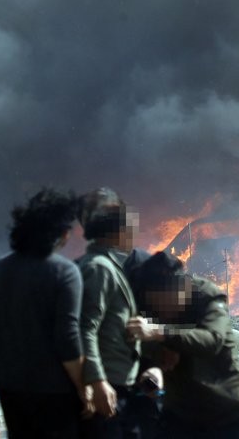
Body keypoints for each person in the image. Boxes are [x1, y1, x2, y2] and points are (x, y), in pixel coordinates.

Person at [0, 188, 89, 439]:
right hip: (53, 390)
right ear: (60, 233)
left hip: (9, 386)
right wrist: (83, 387)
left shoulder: (0, 268)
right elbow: (68, 337)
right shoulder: (66, 272)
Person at [126, 252, 239, 439]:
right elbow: (135, 340)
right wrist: (153, 366)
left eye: (162, 302)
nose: (159, 311)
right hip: (180, 414)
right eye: (153, 305)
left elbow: (211, 340)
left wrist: (161, 333)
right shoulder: (146, 303)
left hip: (225, 413)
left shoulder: (206, 298)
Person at [76, 188, 162, 439]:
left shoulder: (112, 265)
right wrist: (97, 381)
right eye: (128, 226)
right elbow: (85, 328)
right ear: (115, 231)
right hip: (109, 384)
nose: (134, 233)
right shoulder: (98, 269)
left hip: (127, 382)